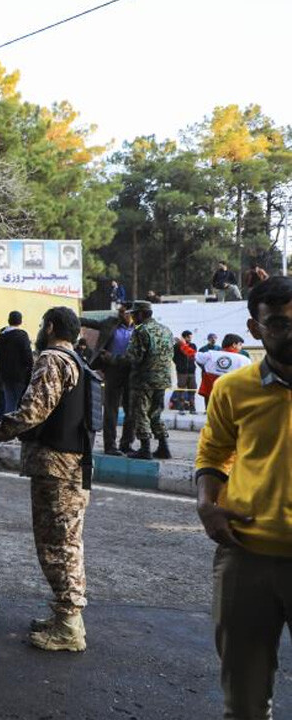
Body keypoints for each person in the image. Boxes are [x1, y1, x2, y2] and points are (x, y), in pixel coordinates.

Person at [194, 276, 292, 718]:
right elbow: (213, 452)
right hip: (246, 557)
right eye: (279, 324)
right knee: (245, 704)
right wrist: (206, 504)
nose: (291, 332)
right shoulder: (235, 389)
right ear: (256, 329)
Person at [0, 306, 94, 652]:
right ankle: (67, 617)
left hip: (56, 467)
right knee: (67, 542)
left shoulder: (52, 359)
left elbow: (34, 411)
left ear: (49, 327)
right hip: (74, 464)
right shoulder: (77, 360)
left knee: (56, 546)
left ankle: (68, 627)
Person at [80, 305, 135, 455]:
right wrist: (71, 318)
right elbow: (89, 322)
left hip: (132, 372)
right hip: (112, 370)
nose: (121, 314)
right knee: (111, 409)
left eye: (124, 311)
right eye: (120, 311)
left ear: (132, 313)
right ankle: (110, 445)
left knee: (131, 410)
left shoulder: (140, 328)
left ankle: (127, 444)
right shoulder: (110, 322)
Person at [124, 301, 175, 460]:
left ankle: (145, 449)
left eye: (134, 314)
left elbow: (134, 357)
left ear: (141, 314)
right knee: (156, 413)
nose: (132, 317)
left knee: (141, 413)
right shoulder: (166, 330)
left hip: (144, 379)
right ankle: (163, 447)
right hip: (163, 379)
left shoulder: (140, 331)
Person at [195, 333, 252, 402]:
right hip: (231, 395)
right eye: (240, 345)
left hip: (211, 393)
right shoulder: (244, 359)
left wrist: (183, 345)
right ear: (234, 345)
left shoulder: (211, 354)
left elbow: (193, 355)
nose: (241, 347)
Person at [0, 311, 33, 415]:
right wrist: (30, 369)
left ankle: (7, 424)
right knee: (20, 403)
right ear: (20, 321)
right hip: (20, 375)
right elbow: (27, 356)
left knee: (9, 402)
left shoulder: (2, 336)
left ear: (9, 320)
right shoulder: (22, 335)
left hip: (5, 375)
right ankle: (17, 428)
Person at [173, 331, 198, 413]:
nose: (190, 339)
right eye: (189, 337)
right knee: (181, 390)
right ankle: (181, 408)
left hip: (191, 371)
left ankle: (192, 408)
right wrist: (179, 365)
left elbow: (191, 354)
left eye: (191, 337)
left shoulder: (193, 345)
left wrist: (184, 344)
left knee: (192, 389)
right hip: (181, 371)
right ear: (185, 337)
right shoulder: (176, 346)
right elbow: (174, 357)